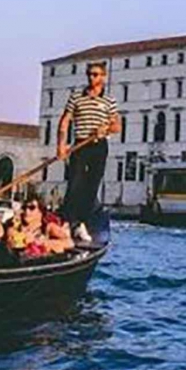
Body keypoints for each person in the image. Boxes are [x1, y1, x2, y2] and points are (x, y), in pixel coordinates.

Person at [57, 60, 121, 244]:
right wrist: (61, 146)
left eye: (96, 74)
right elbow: (65, 121)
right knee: (75, 182)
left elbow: (117, 126)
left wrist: (105, 129)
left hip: (99, 146)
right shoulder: (76, 97)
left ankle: (82, 223)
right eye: (90, 74)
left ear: (103, 77)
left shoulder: (109, 101)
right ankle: (68, 221)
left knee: (92, 185)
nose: (92, 78)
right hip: (80, 145)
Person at [5, 193, 75, 260]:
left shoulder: (48, 227)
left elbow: (69, 243)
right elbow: (10, 239)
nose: (27, 211)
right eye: (24, 207)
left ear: (40, 211)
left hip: (42, 264)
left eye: (32, 208)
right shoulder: (17, 225)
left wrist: (43, 242)